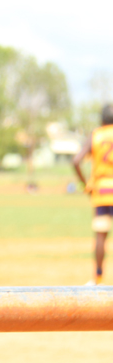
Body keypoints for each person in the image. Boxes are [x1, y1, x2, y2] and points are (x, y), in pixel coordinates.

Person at [72, 104, 113, 286]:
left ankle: (98, 277)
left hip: (101, 190)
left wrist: (86, 185)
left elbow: (76, 161)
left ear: (102, 119)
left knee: (100, 236)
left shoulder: (96, 135)